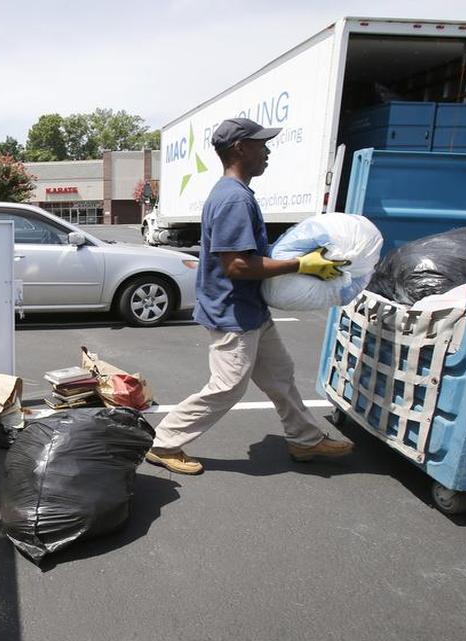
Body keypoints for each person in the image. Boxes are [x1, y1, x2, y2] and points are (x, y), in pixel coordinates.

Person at [145, 118, 353, 475]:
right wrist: (300, 265)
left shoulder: (236, 194)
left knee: (280, 374)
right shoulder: (233, 199)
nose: (267, 151)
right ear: (240, 148)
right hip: (234, 314)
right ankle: (163, 442)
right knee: (227, 387)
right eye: (261, 144)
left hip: (249, 310)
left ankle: (305, 439)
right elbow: (238, 266)